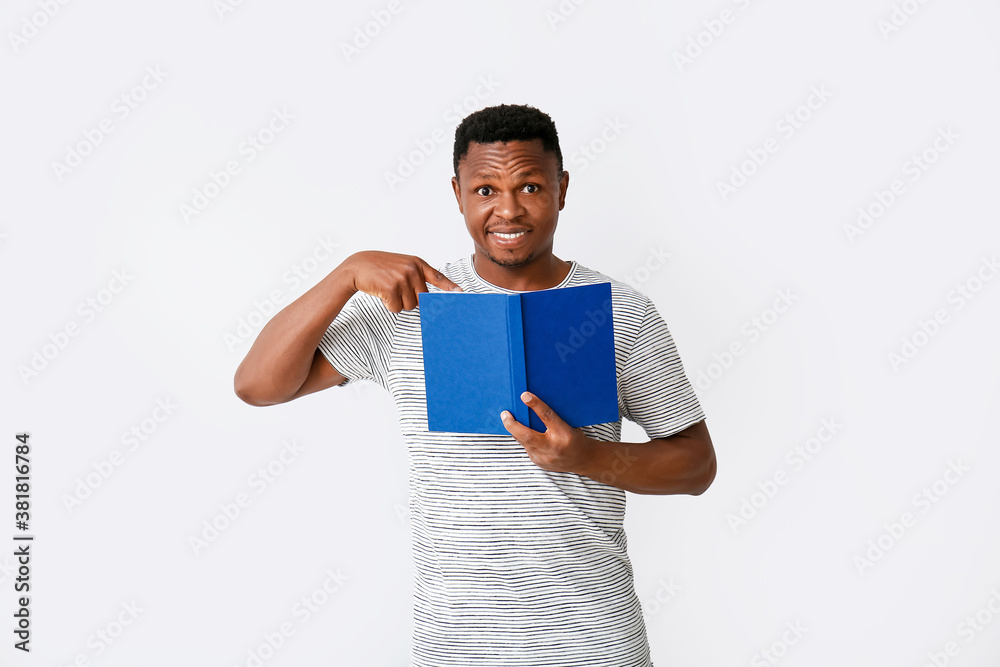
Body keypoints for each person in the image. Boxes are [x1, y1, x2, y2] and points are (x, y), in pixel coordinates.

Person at [234, 103, 716, 666]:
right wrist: (346, 273)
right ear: (458, 194)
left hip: (593, 643)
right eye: (485, 190)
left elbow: (696, 467)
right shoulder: (411, 308)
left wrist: (585, 455)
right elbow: (257, 385)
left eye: (530, 186)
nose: (507, 210)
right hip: (457, 646)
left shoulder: (620, 312)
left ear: (561, 189)